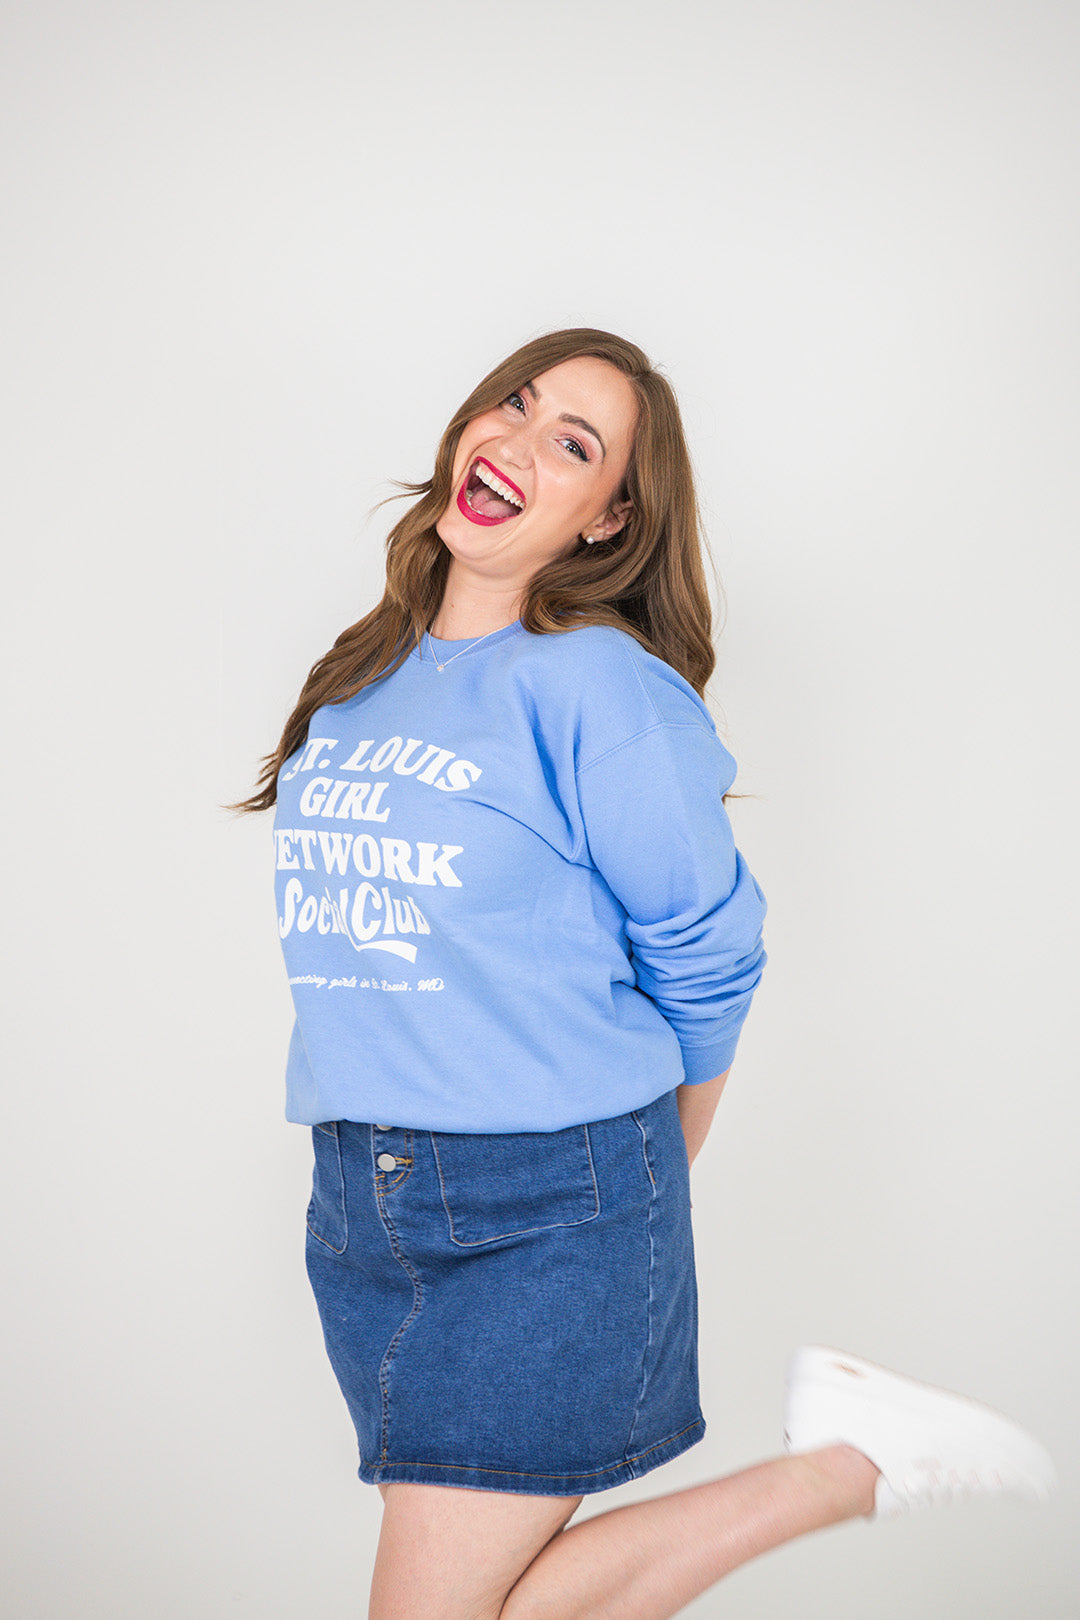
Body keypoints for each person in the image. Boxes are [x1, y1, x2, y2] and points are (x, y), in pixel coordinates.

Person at [228, 327, 1055, 1619]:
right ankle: (856, 1452)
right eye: (516, 402)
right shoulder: (364, 680)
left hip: (547, 1201)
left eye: (574, 443)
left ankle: (849, 1468)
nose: (517, 438)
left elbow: (711, 955)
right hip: (364, 1208)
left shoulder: (598, 687)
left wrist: (662, 1159)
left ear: (608, 519)